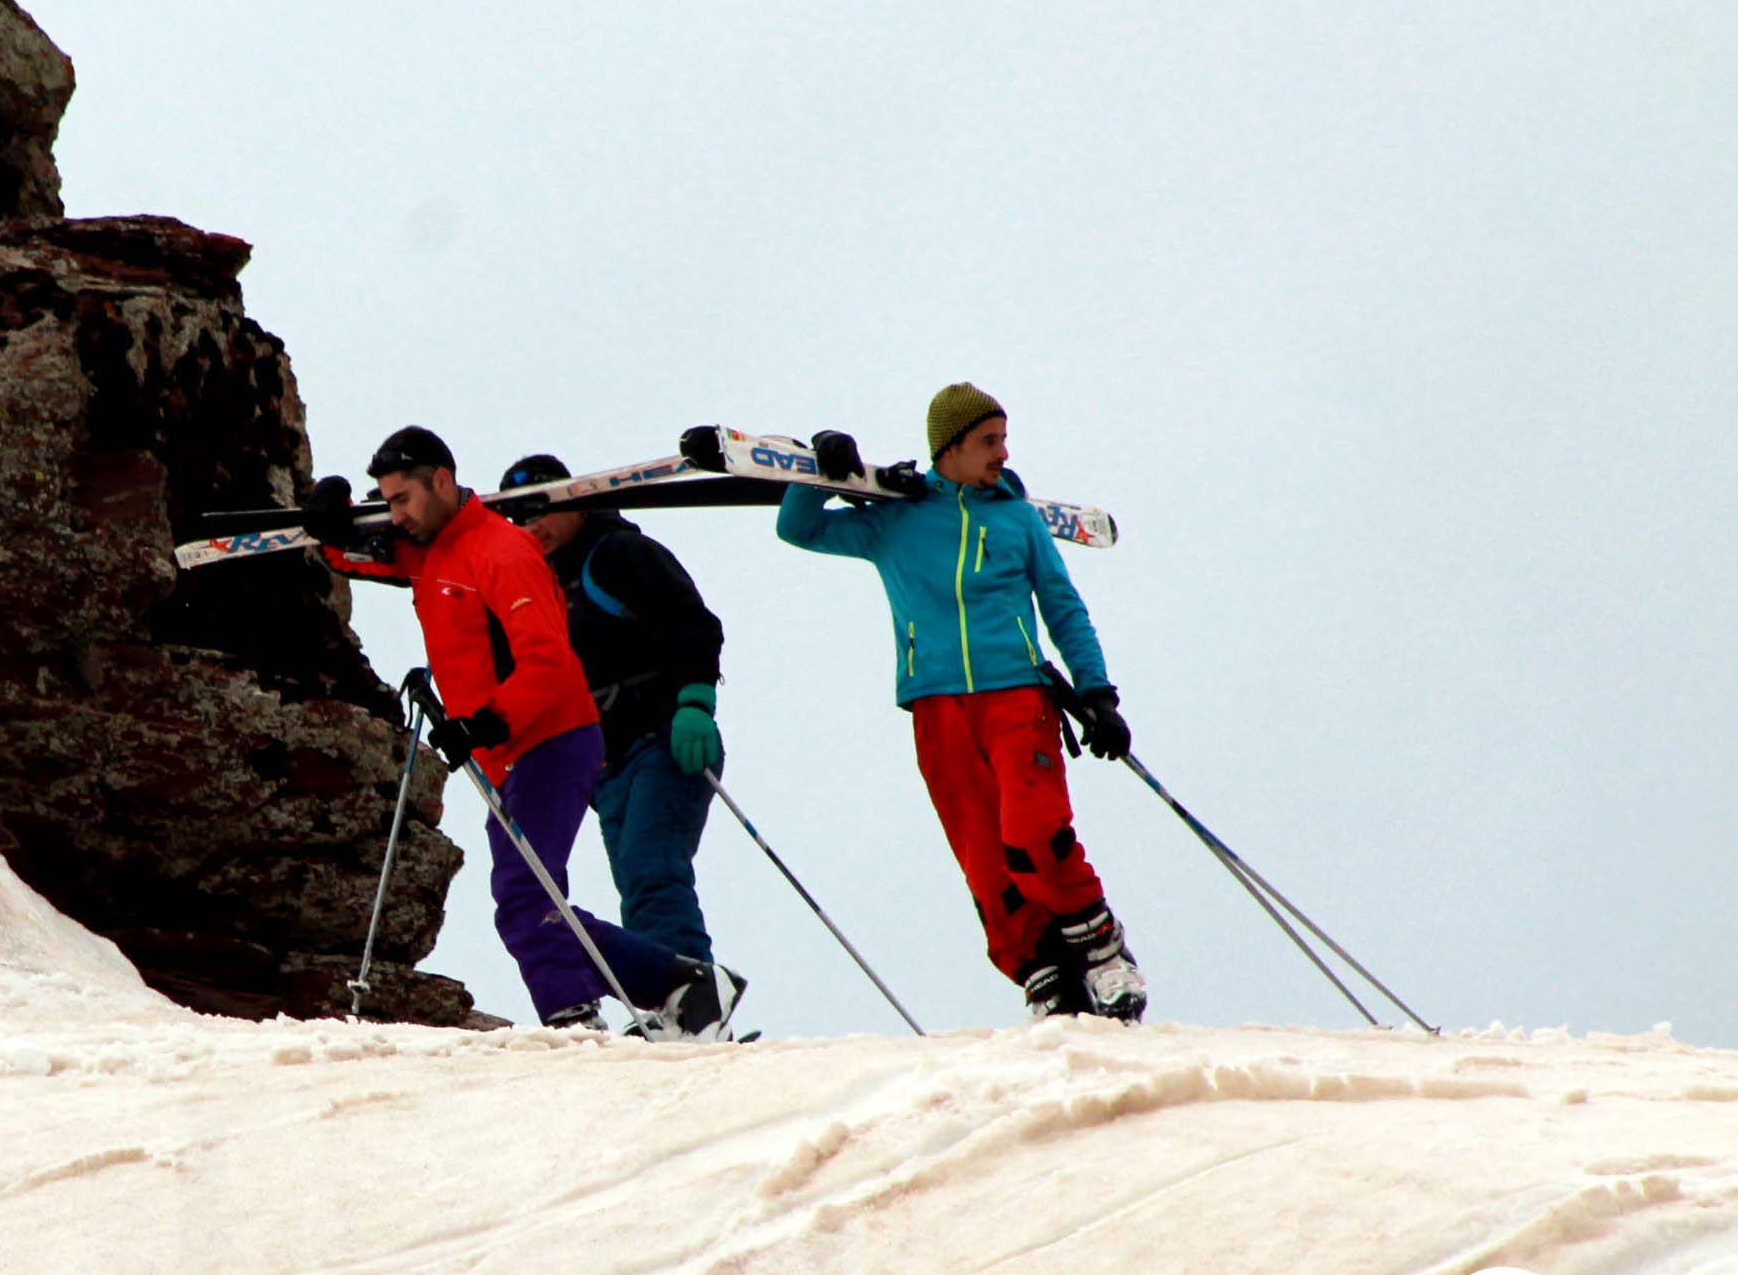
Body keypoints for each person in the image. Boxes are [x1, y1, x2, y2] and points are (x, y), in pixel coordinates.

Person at [302, 426, 740, 1036]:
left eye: (403, 499)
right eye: (389, 502)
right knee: (531, 900)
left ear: (442, 482)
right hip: (546, 749)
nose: (396, 514)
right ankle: (681, 986)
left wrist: (694, 700)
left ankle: (593, 1013)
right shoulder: (438, 553)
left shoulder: (510, 552)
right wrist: (332, 530)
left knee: (575, 883)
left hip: (570, 736)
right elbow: (375, 558)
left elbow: (551, 660)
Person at [733, 383, 1147, 1021]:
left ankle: (1101, 951)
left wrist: (1097, 692)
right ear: (949, 448)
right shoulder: (897, 519)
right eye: (989, 441)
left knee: (1034, 831)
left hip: (1017, 697)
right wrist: (821, 473)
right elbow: (799, 529)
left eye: (1004, 439)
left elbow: (1064, 609)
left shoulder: (1018, 520)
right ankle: (1042, 973)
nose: (1003, 453)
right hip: (937, 707)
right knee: (983, 857)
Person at [494, 453, 726, 968]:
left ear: (577, 502)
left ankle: (689, 985)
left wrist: (696, 703)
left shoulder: (619, 553)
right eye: (518, 517)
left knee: (650, 866)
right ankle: (670, 988)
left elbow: (692, 624)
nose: (532, 526)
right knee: (634, 879)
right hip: (602, 763)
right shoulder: (528, 587)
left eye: (541, 509)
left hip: (666, 739)